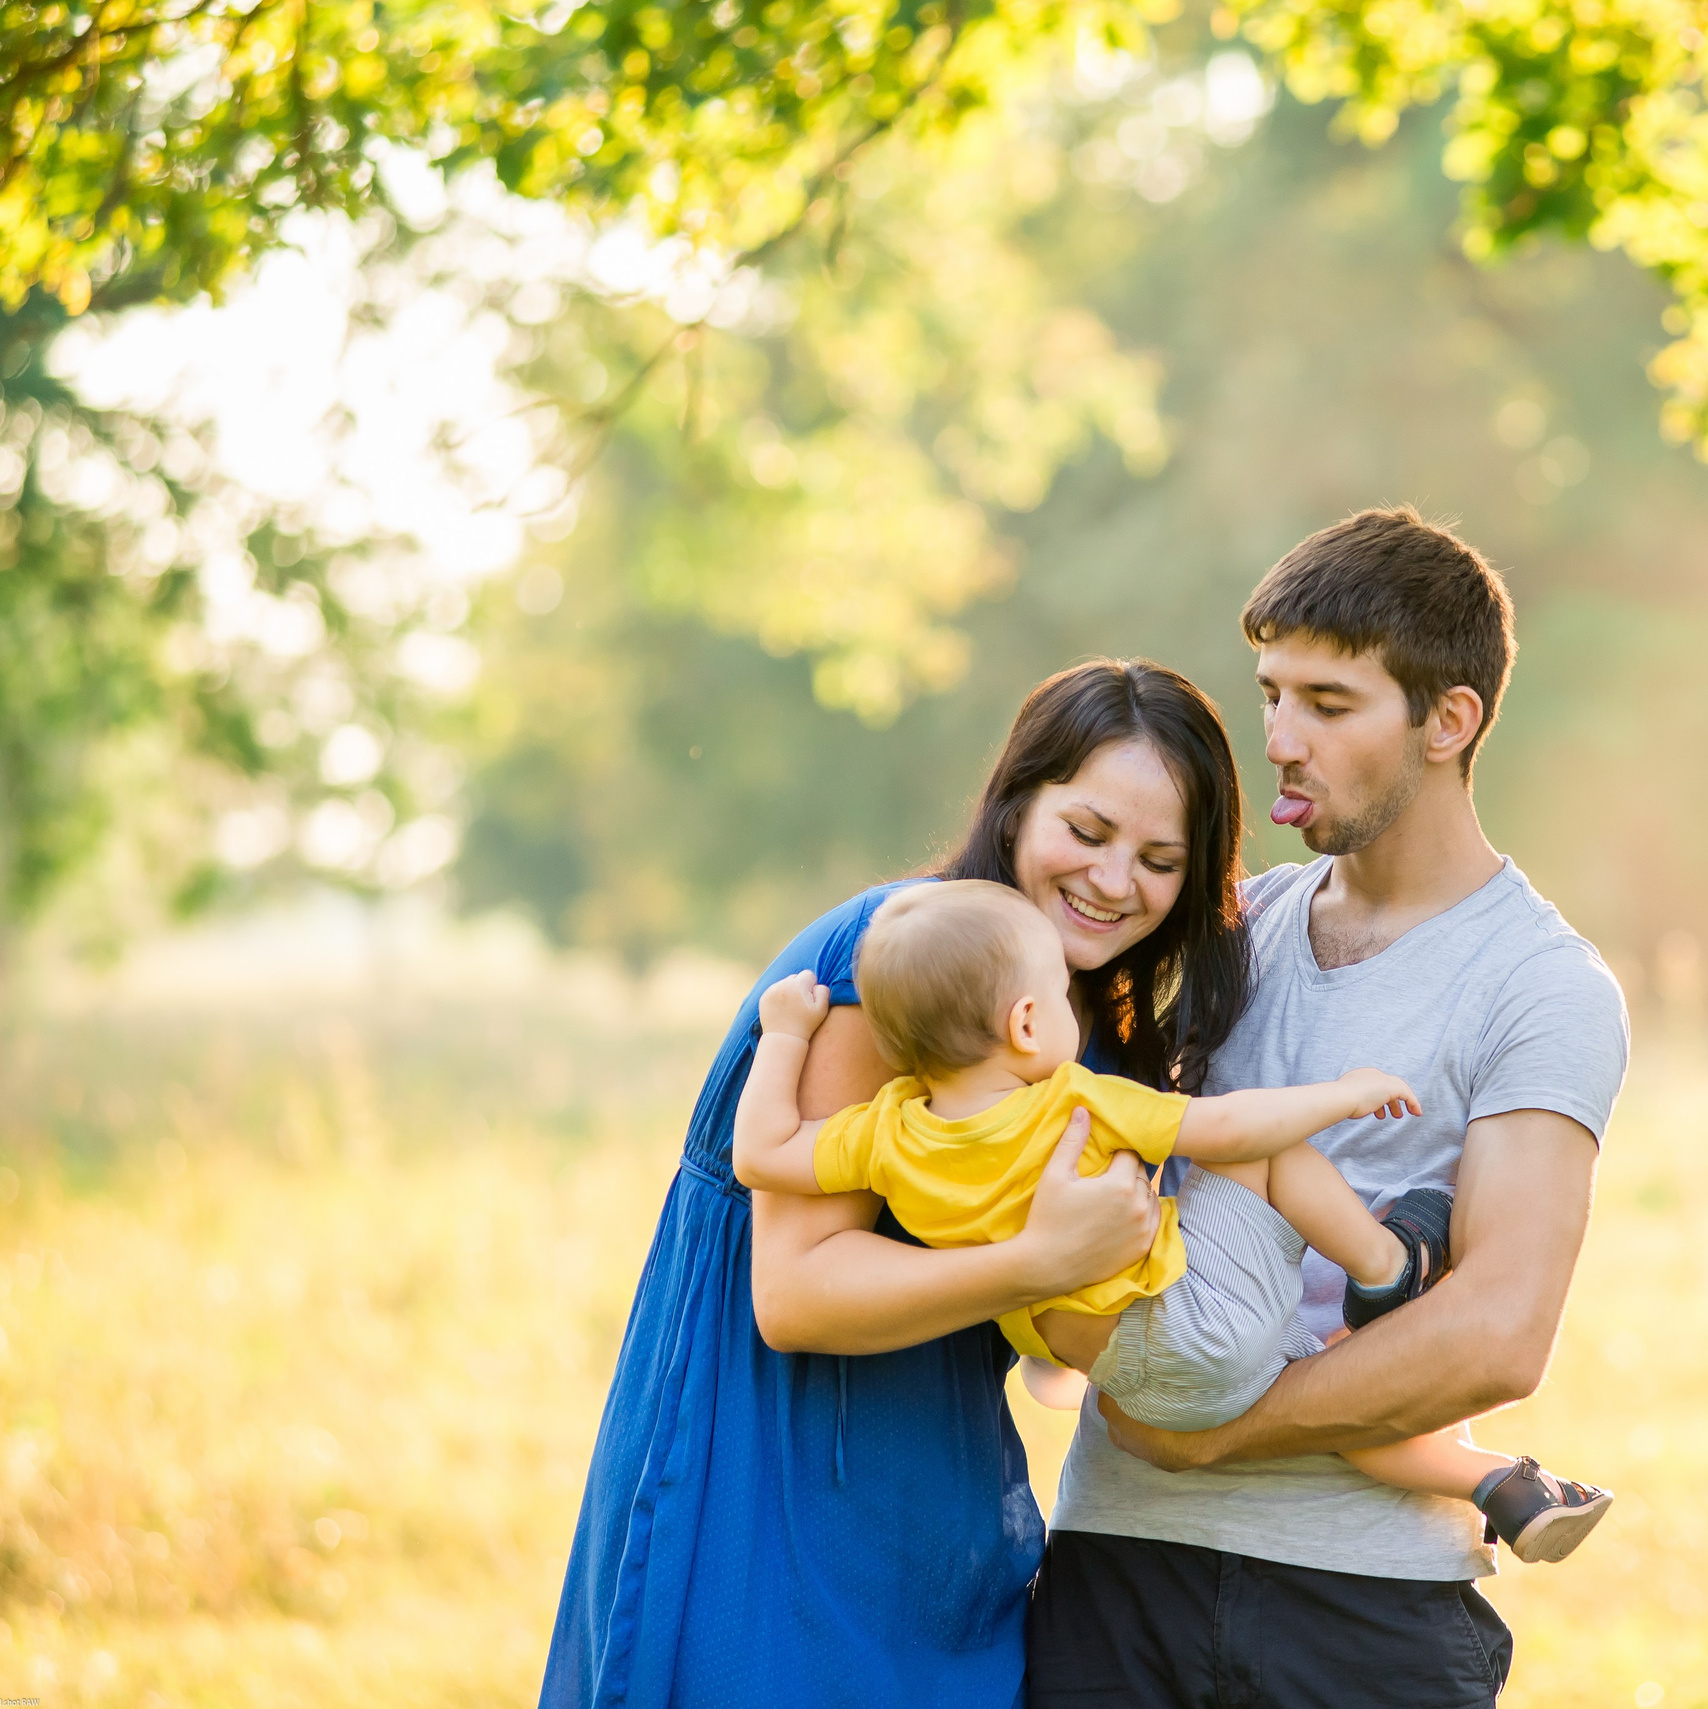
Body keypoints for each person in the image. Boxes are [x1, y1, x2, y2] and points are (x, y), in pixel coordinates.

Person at [539, 660, 1251, 1708]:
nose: (1113, 880)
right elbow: (794, 1292)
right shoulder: (903, 968)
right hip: (772, 1471)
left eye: (1159, 859)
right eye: (1087, 831)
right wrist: (1037, 1257)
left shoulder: (1069, 1015)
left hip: (937, 1492)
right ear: (1018, 803)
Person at [1028, 509, 1632, 1708]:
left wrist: (1210, 1434)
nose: (1279, 740)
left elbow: (1498, 1330)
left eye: (1328, 702)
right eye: (1270, 694)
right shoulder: (1213, 929)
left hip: (1359, 1608)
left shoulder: (1539, 985)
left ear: (1447, 720)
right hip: (1115, 1570)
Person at [731, 880, 1613, 1562]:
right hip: (1183, 1319)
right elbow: (1223, 1127)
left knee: (1322, 1380)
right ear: (1028, 1021)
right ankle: (1386, 1264)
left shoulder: (887, 1133)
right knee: (1246, 1153)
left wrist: (782, 1033)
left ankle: (1500, 1484)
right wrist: (1343, 1093)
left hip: (1129, 1379)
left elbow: (762, 1155)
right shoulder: (1066, 1100)